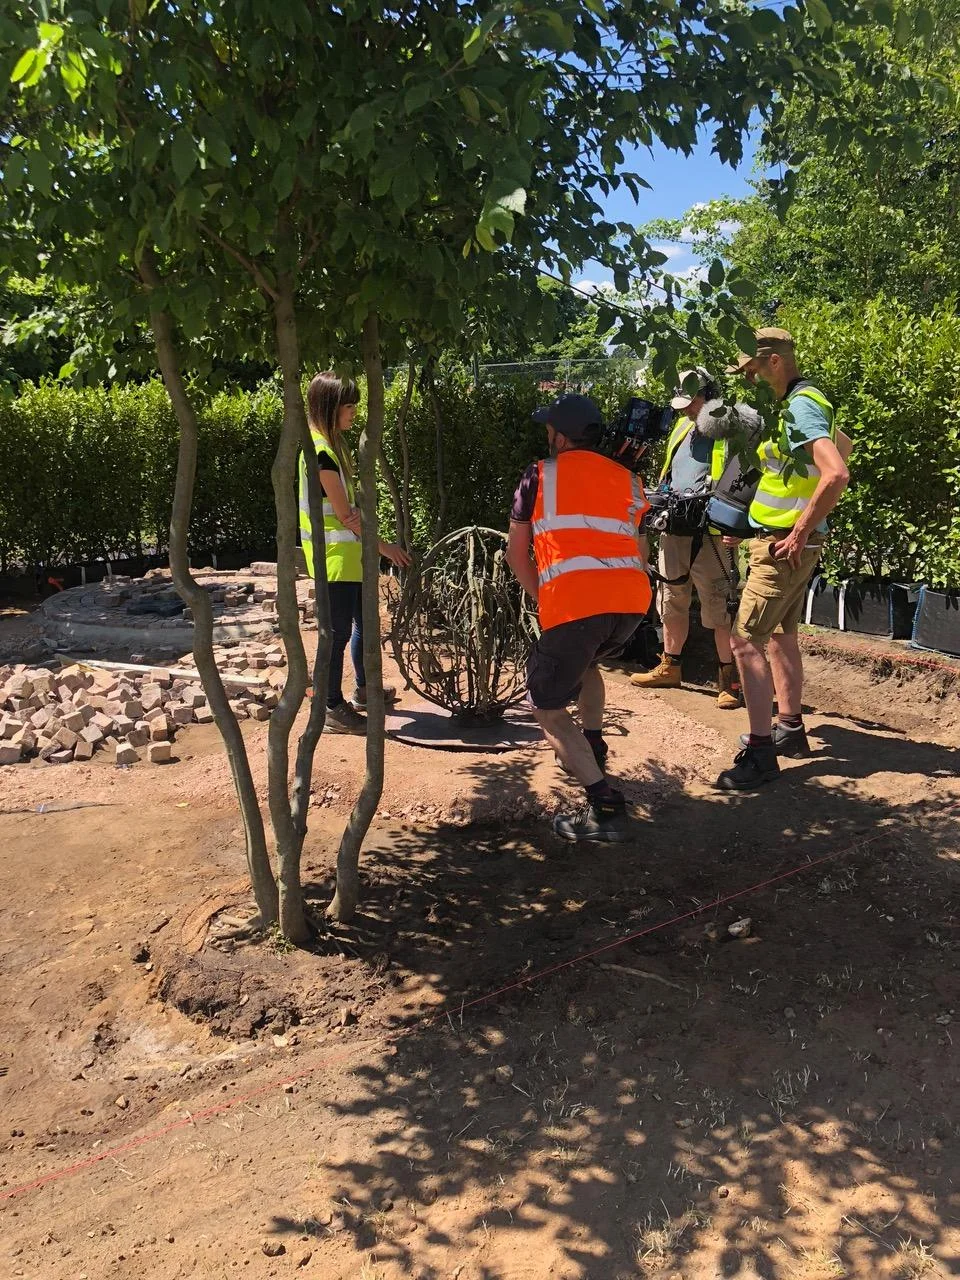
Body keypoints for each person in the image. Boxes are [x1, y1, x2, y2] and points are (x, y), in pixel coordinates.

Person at [506, 392, 652, 843]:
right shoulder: (629, 479)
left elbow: (516, 554)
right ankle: (592, 743)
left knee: (546, 705)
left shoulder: (539, 475)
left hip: (576, 604)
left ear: (560, 435)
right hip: (631, 605)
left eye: (549, 429)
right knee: (589, 663)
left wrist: (545, 599)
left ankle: (604, 805)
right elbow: (640, 549)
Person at [716, 328, 850, 790]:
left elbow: (837, 471)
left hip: (783, 547)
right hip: (779, 541)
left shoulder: (800, 406)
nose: (747, 377)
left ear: (773, 361)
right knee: (779, 636)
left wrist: (798, 530)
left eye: (751, 368)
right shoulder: (806, 400)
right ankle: (789, 729)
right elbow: (843, 443)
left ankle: (759, 754)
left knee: (744, 641)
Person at [630, 366, 750, 710]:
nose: (684, 408)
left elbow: (747, 476)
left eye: (690, 401)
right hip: (676, 527)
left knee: (719, 605)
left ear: (708, 394)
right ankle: (670, 666)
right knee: (671, 597)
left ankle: (729, 679)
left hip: (714, 532)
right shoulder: (682, 427)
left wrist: (739, 527)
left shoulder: (730, 427)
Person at [299, 372, 410, 735]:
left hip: (351, 559)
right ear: (331, 407)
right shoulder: (321, 453)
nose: (353, 414)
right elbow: (346, 516)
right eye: (349, 407)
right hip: (334, 560)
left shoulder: (336, 446)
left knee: (363, 625)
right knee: (337, 634)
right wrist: (386, 549)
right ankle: (331, 706)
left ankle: (364, 691)